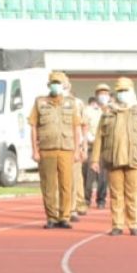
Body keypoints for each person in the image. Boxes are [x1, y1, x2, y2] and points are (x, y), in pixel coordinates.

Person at [91, 77, 137, 236]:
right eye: (119, 91)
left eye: (125, 91)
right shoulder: (108, 112)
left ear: (131, 91)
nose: (122, 94)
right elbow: (99, 136)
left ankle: (134, 224)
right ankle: (117, 224)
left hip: (135, 158)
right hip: (113, 158)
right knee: (116, 193)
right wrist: (94, 159)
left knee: (133, 193)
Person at [29, 71, 81, 228]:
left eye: (58, 83)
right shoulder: (40, 102)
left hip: (66, 149)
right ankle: (52, 217)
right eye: (53, 83)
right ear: (48, 85)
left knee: (66, 184)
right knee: (49, 185)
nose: (55, 86)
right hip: (47, 149)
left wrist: (77, 150)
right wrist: (35, 150)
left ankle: (64, 216)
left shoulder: (71, 103)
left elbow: (76, 128)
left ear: (63, 85)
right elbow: (33, 127)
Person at [63, 77, 91, 220]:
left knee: (75, 178)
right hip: (57, 146)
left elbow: (84, 125)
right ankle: (67, 207)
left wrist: (84, 147)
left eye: (62, 83)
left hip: (74, 145)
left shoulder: (77, 103)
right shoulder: (47, 102)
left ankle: (74, 207)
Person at [83, 85, 110, 211]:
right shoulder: (88, 110)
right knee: (89, 176)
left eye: (106, 93)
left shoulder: (111, 110)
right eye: (101, 93)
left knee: (103, 178)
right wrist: (89, 138)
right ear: (96, 94)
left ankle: (101, 200)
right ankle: (86, 199)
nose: (103, 95)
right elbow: (84, 126)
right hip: (91, 147)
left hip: (105, 148)